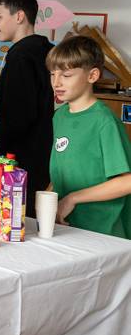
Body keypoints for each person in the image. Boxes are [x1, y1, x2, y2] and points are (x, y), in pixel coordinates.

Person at [47, 36, 131, 238]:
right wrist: (48, 198)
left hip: (102, 233)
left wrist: (72, 199)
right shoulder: (60, 116)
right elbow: (63, 169)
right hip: (67, 228)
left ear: (92, 75)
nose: (57, 82)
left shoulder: (104, 121)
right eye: (52, 74)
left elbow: (127, 182)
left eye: (66, 75)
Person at [0, 0, 55, 203]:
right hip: (42, 154)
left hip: (18, 161)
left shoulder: (20, 56)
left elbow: (16, 116)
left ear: (19, 16)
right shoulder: (47, 50)